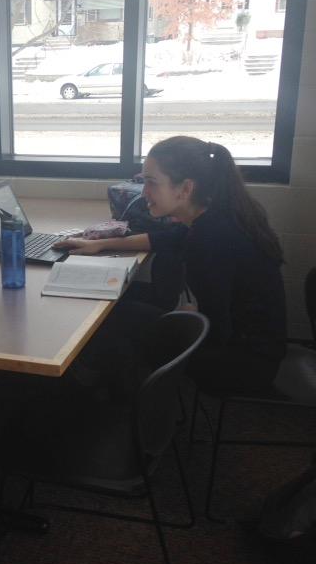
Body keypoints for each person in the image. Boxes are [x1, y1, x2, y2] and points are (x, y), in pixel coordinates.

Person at [54, 136, 287, 397]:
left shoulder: (212, 239)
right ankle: (112, 391)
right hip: (249, 346)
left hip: (241, 363)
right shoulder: (216, 214)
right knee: (120, 312)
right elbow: (168, 238)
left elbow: (215, 330)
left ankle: (113, 406)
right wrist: (103, 244)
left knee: (108, 324)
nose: (143, 193)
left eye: (151, 183)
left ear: (185, 189)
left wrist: (185, 315)